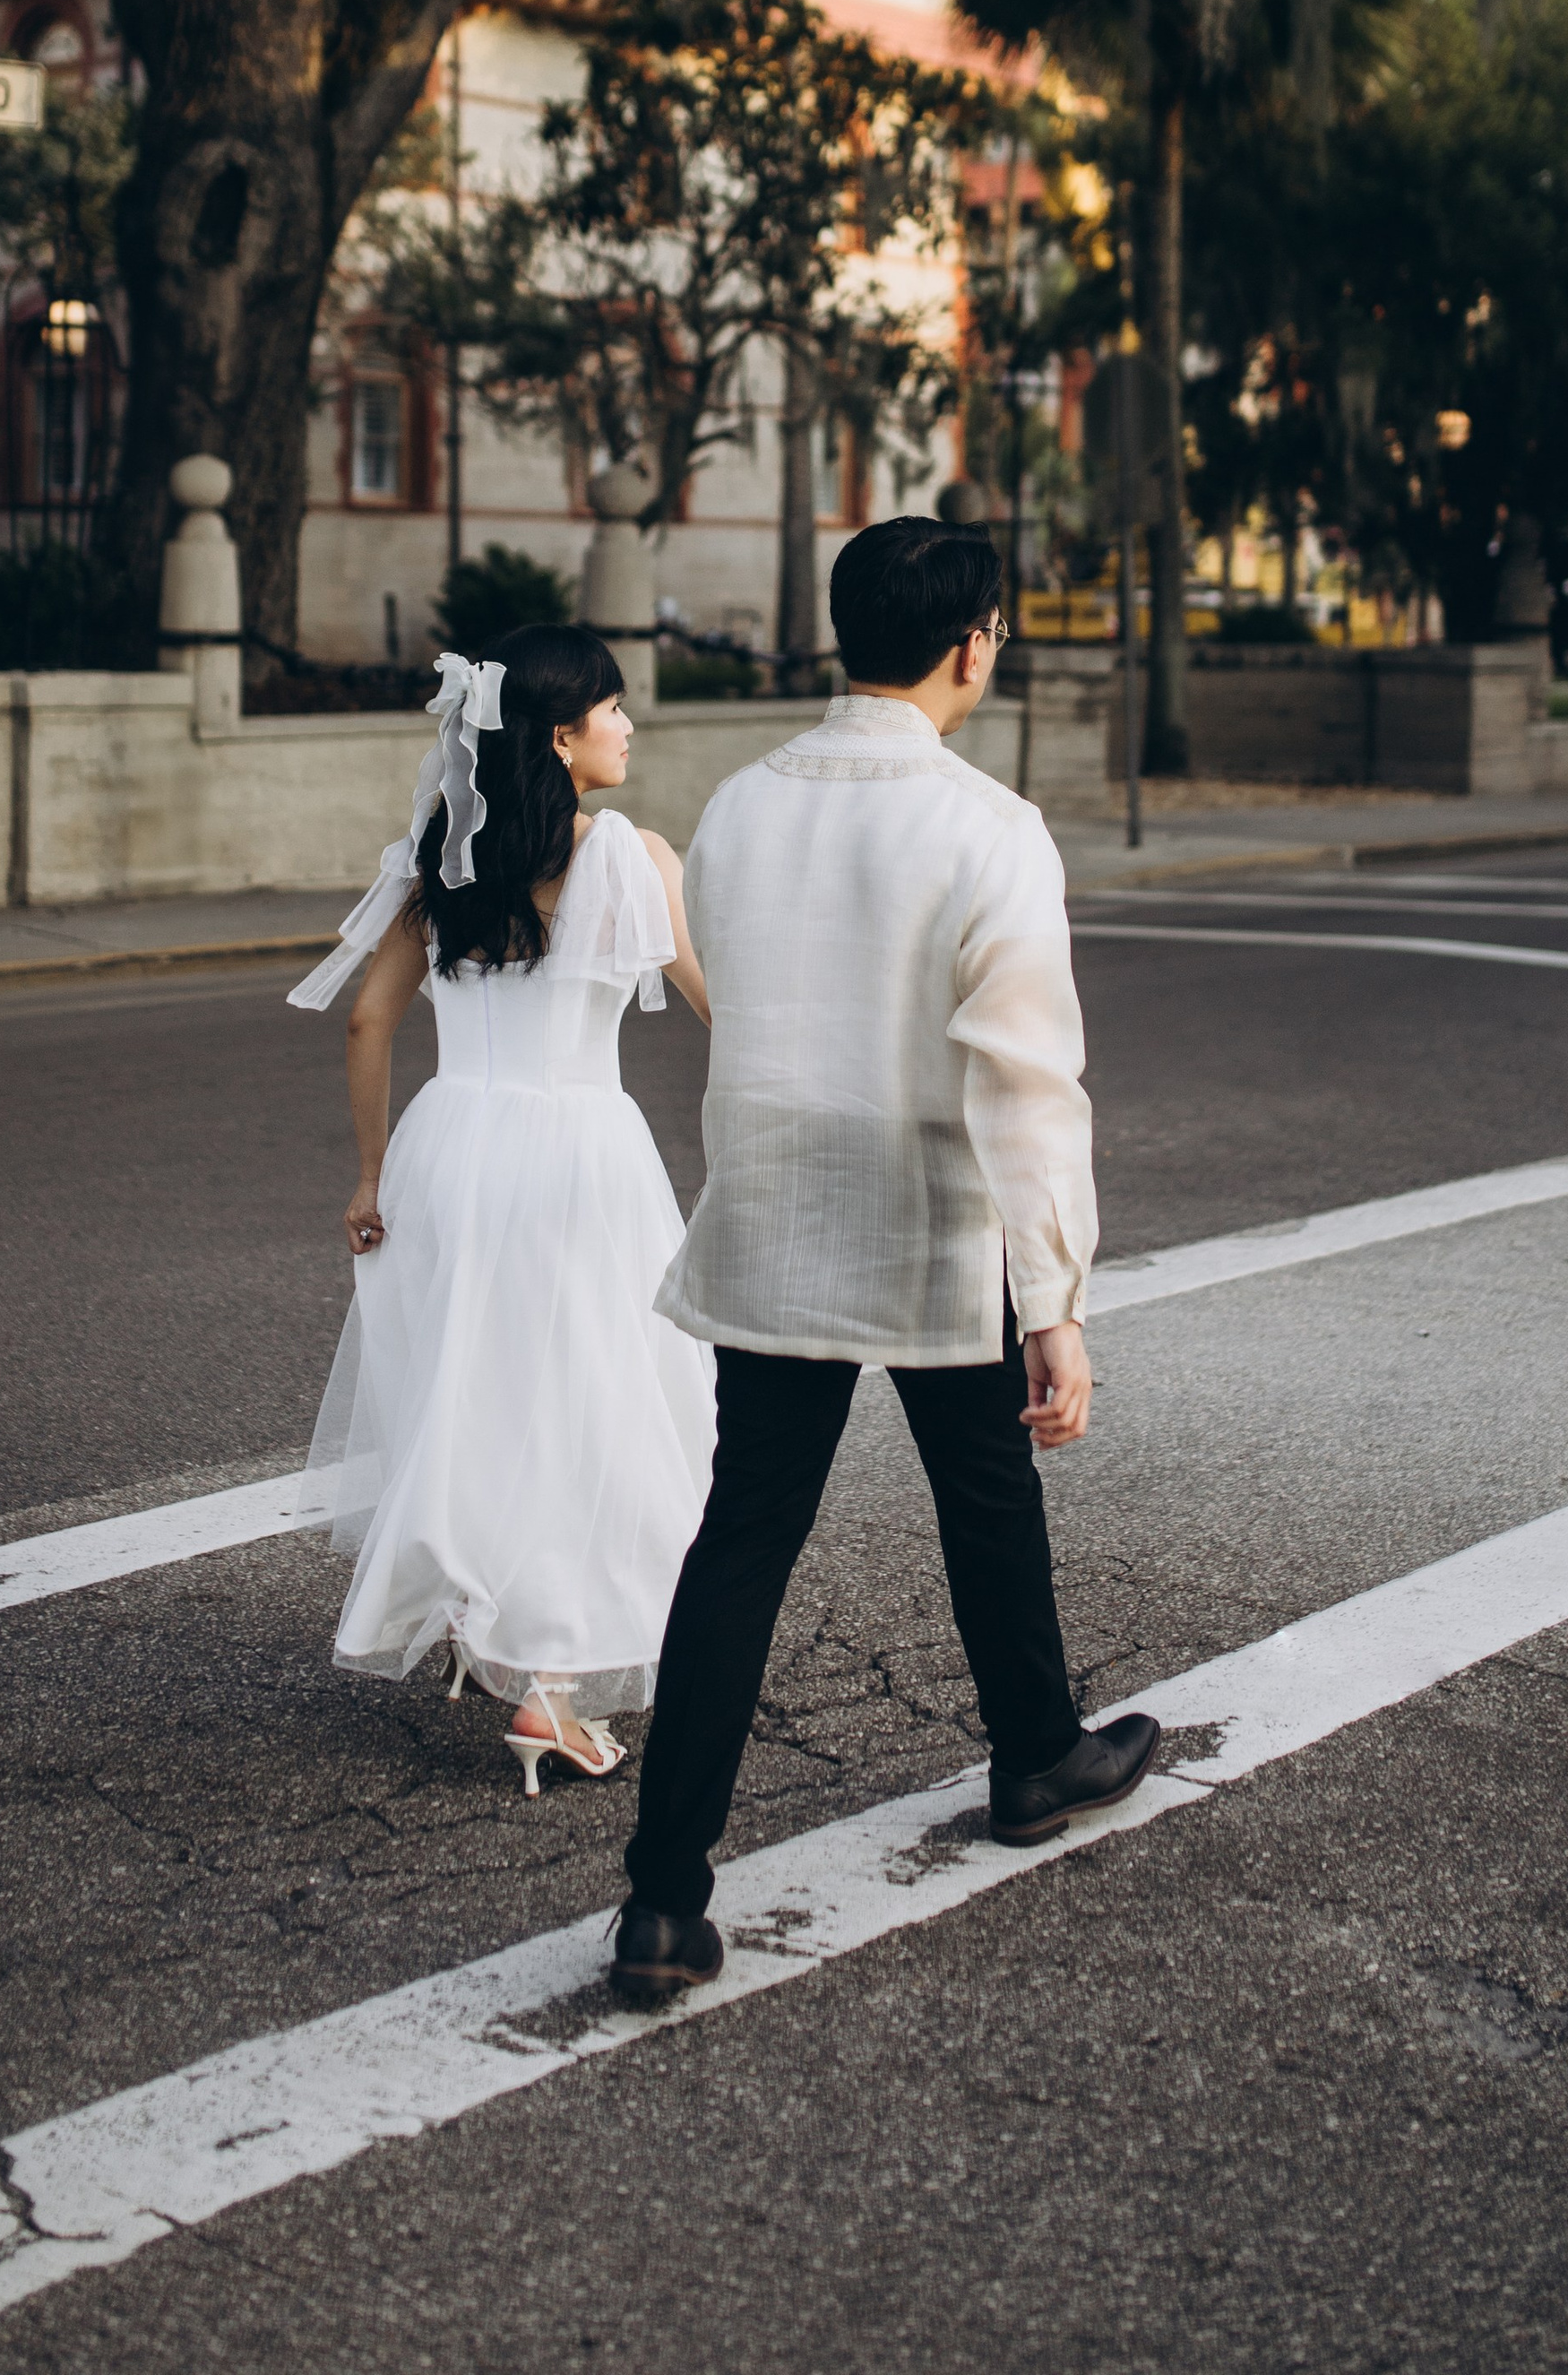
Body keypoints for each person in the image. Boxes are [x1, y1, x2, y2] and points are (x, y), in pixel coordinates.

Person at [609, 517, 1160, 2000]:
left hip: (779, 1206)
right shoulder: (989, 827)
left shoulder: (738, 807)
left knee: (744, 1537)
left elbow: (740, 987)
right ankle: (1034, 1756)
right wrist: (1057, 1304)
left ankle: (664, 1899)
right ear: (975, 641)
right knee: (988, 1497)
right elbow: (1029, 1085)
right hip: (935, 1218)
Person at [288, 626, 714, 1793]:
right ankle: (548, 1685)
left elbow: (370, 1023)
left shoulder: (443, 858)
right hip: (580, 1154)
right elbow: (715, 1006)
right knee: (593, 1402)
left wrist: (372, 1175)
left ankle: (493, 1620)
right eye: (614, 711)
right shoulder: (633, 856)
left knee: (473, 1394)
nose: (630, 728)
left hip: (451, 1148)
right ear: (566, 737)